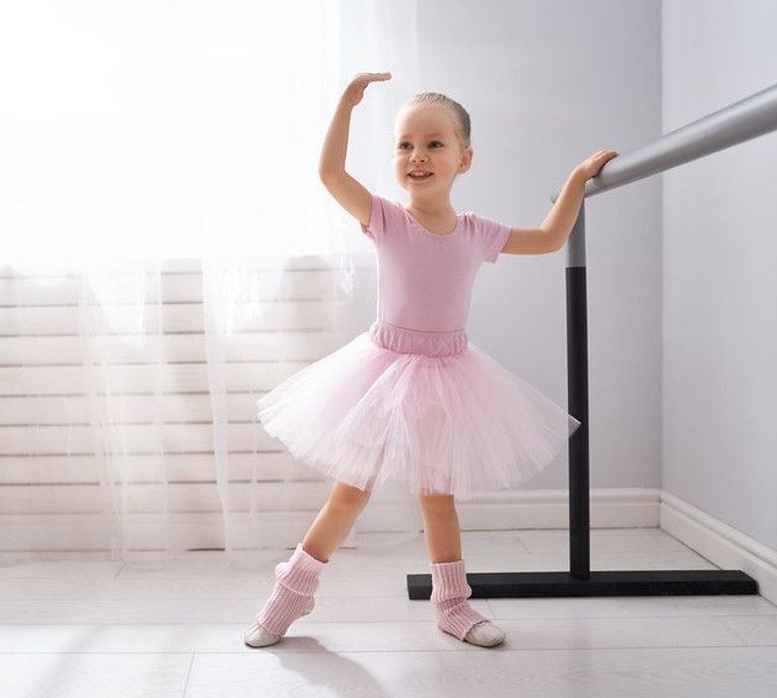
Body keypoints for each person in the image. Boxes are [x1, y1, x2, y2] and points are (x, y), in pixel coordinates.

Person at [243, 72, 618, 649]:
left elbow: (547, 238)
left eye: (434, 144)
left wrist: (574, 180)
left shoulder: (476, 232)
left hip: (449, 375)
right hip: (383, 372)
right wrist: (345, 105)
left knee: (438, 498)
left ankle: (453, 605)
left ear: (464, 158)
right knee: (350, 492)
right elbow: (329, 174)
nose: (417, 155)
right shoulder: (387, 218)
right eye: (404, 145)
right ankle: (291, 592)